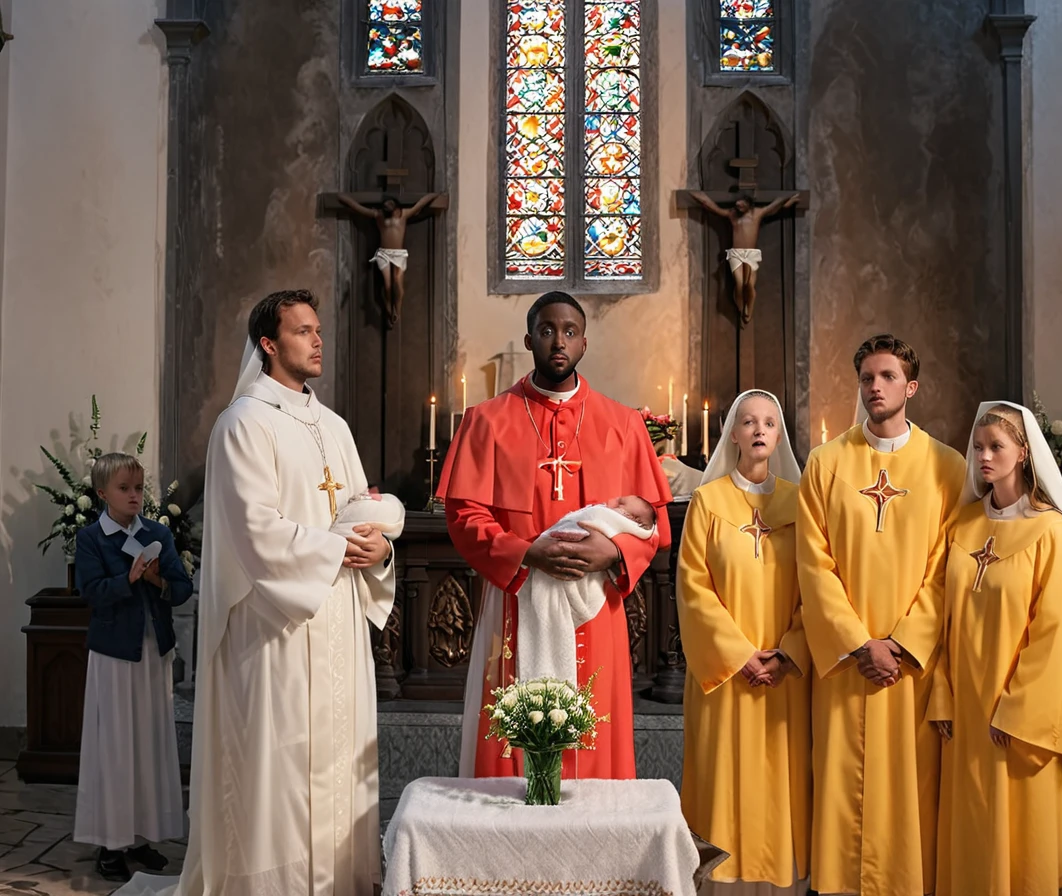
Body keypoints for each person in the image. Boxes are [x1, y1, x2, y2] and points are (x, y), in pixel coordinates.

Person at [120, 289, 401, 896]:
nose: (318, 339)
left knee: (336, 752)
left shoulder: (334, 425)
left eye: (318, 329)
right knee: (281, 758)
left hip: (338, 616)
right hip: (274, 624)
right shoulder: (243, 422)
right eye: (303, 331)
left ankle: (338, 880)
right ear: (269, 344)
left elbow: (361, 508)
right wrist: (335, 550)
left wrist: (382, 550)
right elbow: (252, 529)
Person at [437, 290, 672, 779]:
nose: (558, 341)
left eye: (569, 332)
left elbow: (653, 523)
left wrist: (612, 548)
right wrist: (527, 553)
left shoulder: (624, 425)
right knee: (515, 737)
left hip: (596, 605)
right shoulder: (486, 421)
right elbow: (464, 516)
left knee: (595, 730)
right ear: (530, 339)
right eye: (547, 331)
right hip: (515, 599)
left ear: (584, 343)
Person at [797, 334, 966, 896]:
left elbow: (949, 565)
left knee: (909, 787)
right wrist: (857, 641)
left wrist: (902, 642)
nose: (875, 387)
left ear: (911, 387)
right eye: (867, 377)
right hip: (848, 663)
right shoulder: (825, 464)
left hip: (910, 665)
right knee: (842, 784)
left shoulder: (947, 466)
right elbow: (813, 564)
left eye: (888, 377)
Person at [930, 402, 1062, 896]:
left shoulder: (1049, 532)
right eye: (978, 447)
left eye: (996, 446)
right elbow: (942, 617)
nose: (984, 457)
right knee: (972, 832)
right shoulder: (964, 525)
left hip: (1013, 720)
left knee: (1017, 841)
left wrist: (1016, 711)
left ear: (1023, 453)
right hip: (965, 713)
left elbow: (1054, 631)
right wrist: (942, 694)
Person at [677, 390, 811, 895]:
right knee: (721, 783)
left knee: (781, 785)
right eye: (749, 421)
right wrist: (738, 656)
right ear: (732, 433)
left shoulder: (800, 505)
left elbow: (817, 588)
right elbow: (693, 589)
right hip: (725, 677)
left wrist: (789, 653)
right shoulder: (708, 502)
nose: (759, 430)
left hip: (784, 676)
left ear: (778, 437)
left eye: (769, 423)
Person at [72, 453, 193, 882]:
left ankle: (143, 835)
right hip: (114, 657)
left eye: (139, 488)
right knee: (116, 749)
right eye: (124, 489)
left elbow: (181, 589)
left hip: (152, 654)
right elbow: (91, 591)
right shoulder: (91, 539)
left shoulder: (158, 532)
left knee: (148, 745)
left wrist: (157, 578)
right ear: (102, 493)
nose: (134, 496)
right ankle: (110, 842)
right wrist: (129, 578)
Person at [517, 496, 659, 686]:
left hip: (599, 591)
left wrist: (617, 548)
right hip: (518, 578)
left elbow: (652, 529)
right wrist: (521, 551)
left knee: (596, 691)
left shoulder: (630, 507)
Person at [689, 190, 800, 326]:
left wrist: (788, 198)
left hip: (750, 254)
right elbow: (714, 208)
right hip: (736, 253)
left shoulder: (757, 213)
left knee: (749, 285)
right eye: (737, 204)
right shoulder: (732, 215)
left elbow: (774, 207)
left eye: (741, 204)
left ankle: (749, 307)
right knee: (740, 284)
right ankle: (741, 307)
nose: (738, 205)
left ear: (749, 204)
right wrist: (700, 197)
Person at [337, 191, 440, 327]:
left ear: (396, 206)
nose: (387, 206)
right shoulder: (379, 215)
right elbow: (359, 209)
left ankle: (397, 310)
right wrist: (343, 198)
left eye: (390, 203)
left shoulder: (404, 214)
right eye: (385, 204)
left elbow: (420, 204)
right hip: (384, 254)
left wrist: (434, 195)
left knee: (398, 286)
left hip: (399, 254)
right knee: (387, 285)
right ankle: (388, 309)